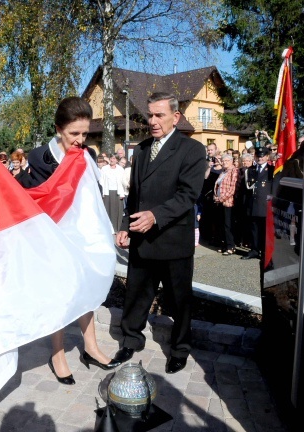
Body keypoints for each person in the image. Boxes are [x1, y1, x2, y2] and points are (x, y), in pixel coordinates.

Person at [17, 96, 119, 385]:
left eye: (85, 134)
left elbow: (93, 198)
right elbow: (25, 197)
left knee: (88, 287)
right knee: (59, 296)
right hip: (54, 240)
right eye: (74, 133)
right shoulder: (39, 157)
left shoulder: (87, 154)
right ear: (59, 128)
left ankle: (91, 347)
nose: (80, 140)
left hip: (85, 239)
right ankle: (58, 353)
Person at [114, 92, 205, 374]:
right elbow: (134, 195)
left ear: (175, 117)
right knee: (137, 295)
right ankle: (130, 340)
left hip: (172, 238)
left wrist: (156, 216)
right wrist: (125, 226)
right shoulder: (141, 150)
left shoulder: (191, 150)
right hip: (142, 238)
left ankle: (179, 349)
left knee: (179, 300)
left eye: (159, 115)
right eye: (149, 115)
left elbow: (188, 195)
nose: (152, 121)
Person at [241, 146, 274, 260]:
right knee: (253, 229)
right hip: (253, 204)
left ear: (267, 157)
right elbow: (246, 189)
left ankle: (265, 251)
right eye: (258, 156)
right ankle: (254, 250)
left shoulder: (272, 170)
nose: (260, 158)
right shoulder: (251, 170)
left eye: (263, 156)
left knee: (264, 230)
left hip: (265, 205)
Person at [213, 154, 239, 255]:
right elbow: (217, 185)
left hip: (228, 202)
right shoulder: (223, 171)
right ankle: (224, 245)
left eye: (227, 161)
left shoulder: (234, 171)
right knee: (221, 224)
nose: (225, 163)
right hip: (219, 202)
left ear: (232, 161)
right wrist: (215, 197)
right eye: (223, 161)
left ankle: (231, 246)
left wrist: (221, 198)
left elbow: (233, 189)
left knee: (228, 225)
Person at [100, 154, 125, 232]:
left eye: (114, 158)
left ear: (117, 160)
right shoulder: (104, 169)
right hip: (107, 192)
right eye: (111, 158)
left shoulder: (121, 169)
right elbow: (101, 181)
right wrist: (103, 192)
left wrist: (122, 193)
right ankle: (108, 229)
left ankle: (117, 229)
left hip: (118, 192)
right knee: (108, 210)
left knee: (117, 211)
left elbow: (123, 182)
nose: (112, 160)